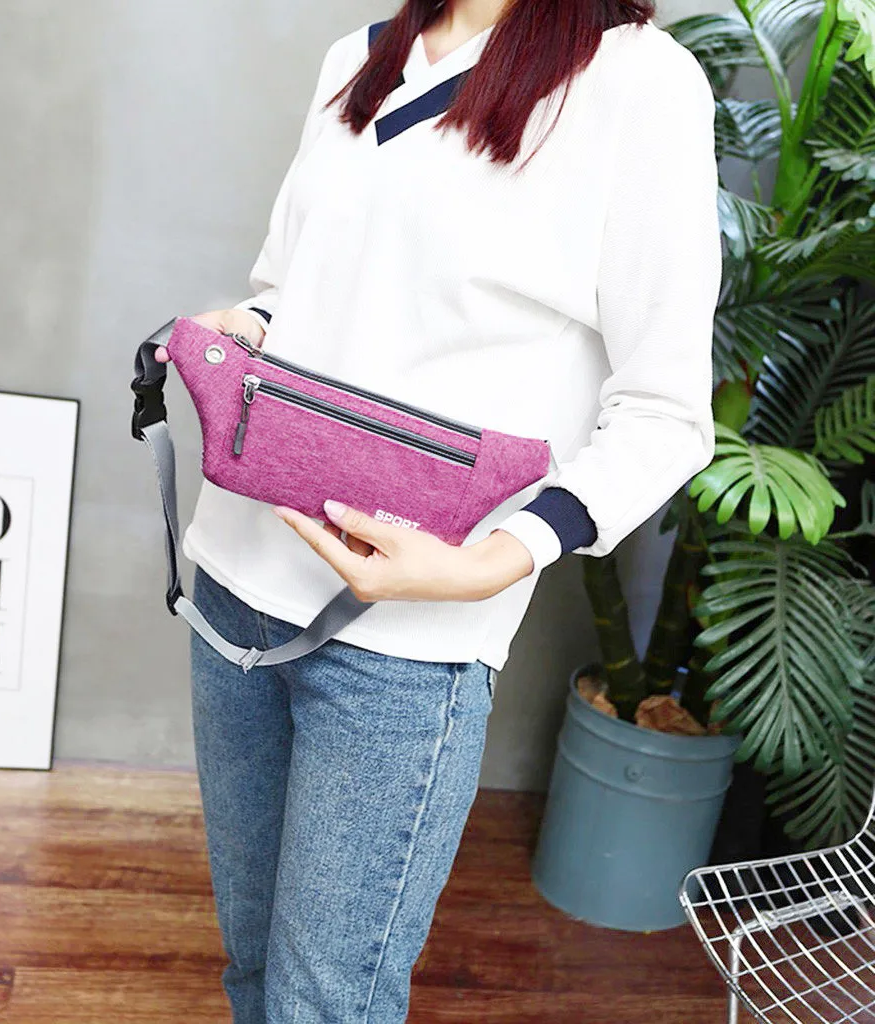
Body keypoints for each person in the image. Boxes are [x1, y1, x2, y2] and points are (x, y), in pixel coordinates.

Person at [156, 0, 721, 1019]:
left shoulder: (639, 81)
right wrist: (239, 328)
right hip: (235, 582)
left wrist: (489, 562)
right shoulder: (359, 55)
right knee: (252, 973)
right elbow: (291, 290)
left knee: (323, 1003)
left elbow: (666, 412)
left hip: (402, 645)